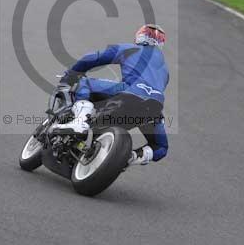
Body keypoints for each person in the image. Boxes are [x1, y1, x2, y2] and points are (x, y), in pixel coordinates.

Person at [56, 24, 170, 166]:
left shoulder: (130, 49)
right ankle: (130, 158)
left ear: (141, 36)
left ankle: (80, 121)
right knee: (161, 146)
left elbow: (93, 57)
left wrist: (70, 75)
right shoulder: (165, 71)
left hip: (129, 94)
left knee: (84, 83)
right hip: (154, 108)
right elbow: (150, 92)